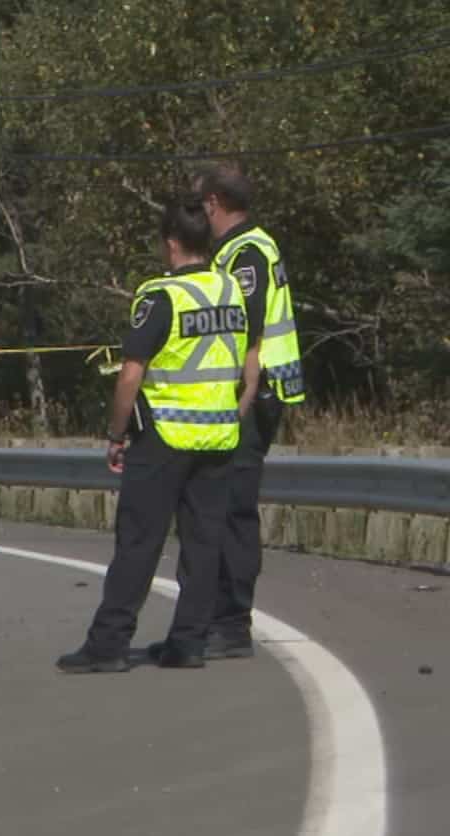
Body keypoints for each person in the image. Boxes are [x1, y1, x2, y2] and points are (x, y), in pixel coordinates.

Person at [58, 197, 258, 674]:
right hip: (219, 437)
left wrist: (116, 432)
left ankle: (108, 645)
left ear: (170, 243)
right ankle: (188, 642)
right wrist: (235, 413)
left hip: (165, 437)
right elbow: (252, 362)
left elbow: (131, 375)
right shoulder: (231, 289)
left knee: (139, 541)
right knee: (204, 543)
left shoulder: (160, 296)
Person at [193, 164, 302, 659]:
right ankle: (217, 615)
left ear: (213, 202)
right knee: (223, 505)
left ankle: (232, 624)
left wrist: (238, 395)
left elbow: (246, 330)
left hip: (252, 396)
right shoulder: (251, 245)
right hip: (252, 394)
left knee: (234, 509)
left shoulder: (246, 253)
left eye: (199, 205)